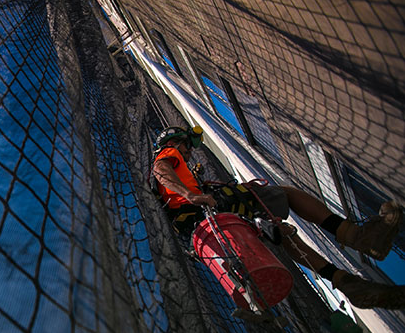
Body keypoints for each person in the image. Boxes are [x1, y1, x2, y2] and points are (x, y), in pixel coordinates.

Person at [152, 125, 405, 310]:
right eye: (186, 145)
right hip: (211, 211)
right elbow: (160, 170)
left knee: (279, 233)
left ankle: (346, 283)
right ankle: (359, 237)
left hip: (208, 227)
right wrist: (192, 195)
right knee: (287, 195)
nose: (188, 152)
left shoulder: (180, 172)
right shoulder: (168, 153)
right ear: (176, 141)